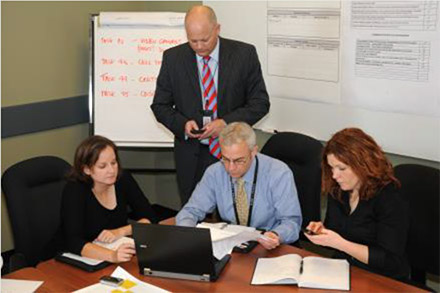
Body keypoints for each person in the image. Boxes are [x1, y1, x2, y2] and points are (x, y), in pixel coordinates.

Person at [151, 5, 270, 205]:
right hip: (191, 153)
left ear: (217, 29)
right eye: (193, 40)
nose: (198, 46)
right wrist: (183, 125)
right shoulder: (173, 58)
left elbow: (260, 103)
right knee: (194, 215)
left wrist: (226, 123)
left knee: (236, 212)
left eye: (204, 39)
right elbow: (160, 105)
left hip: (234, 152)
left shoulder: (244, 55)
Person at [176, 122, 302, 250]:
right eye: (225, 159)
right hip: (232, 245)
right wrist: (188, 234)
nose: (231, 168)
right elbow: (190, 211)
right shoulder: (215, 172)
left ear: (253, 152)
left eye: (239, 160)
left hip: (267, 247)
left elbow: (291, 222)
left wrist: (276, 235)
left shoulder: (278, 173)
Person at [305, 128, 409, 280]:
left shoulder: (390, 197)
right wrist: (322, 233)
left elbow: (390, 260)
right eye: (331, 167)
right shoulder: (338, 189)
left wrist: (340, 244)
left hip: (382, 278)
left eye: (342, 168)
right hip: (344, 270)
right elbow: (335, 233)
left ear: (363, 165)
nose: (335, 175)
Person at [61, 135, 158, 263]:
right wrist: (112, 256)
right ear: (87, 169)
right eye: (102, 166)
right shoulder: (75, 189)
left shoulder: (123, 179)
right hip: (75, 258)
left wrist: (120, 231)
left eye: (113, 163)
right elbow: (73, 241)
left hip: (112, 254)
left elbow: (150, 218)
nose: (111, 170)